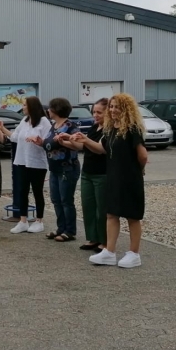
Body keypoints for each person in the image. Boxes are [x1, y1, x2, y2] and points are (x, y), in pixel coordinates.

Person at [72, 93, 147, 268]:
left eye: (116, 107)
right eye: (111, 106)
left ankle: (134, 254)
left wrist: (139, 169)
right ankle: (109, 252)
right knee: (111, 214)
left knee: (132, 216)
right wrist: (85, 140)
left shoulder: (133, 129)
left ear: (126, 109)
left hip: (130, 178)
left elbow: (143, 155)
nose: (113, 110)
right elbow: (101, 149)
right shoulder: (111, 128)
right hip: (113, 177)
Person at [4, 96, 51, 234]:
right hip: (21, 161)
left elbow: (48, 142)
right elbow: (14, 137)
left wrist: (39, 141)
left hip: (37, 163)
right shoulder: (24, 121)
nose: (23, 107)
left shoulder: (43, 121)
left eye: (25, 105)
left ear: (32, 106)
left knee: (37, 192)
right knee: (22, 191)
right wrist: (1, 128)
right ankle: (23, 221)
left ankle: (39, 221)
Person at [36, 97, 81, 242]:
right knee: (56, 199)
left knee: (66, 200)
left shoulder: (71, 126)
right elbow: (50, 146)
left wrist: (64, 141)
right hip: (54, 169)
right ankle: (60, 228)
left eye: (50, 108)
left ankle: (70, 231)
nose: (48, 110)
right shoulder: (53, 125)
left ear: (56, 109)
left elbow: (78, 146)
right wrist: (41, 143)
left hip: (67, 168)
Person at [74, 98, 108, 252]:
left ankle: (104, 240)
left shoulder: (110, 130)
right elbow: (83, 145)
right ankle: (92, 238)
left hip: (102, 173)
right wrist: (67, 140)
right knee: (88, 207)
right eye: (94, 111)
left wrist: (85, 139)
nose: (95, 115)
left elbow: (101, 149)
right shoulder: (95, 127)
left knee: (102, 210)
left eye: (99, 112)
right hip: (87, 172)